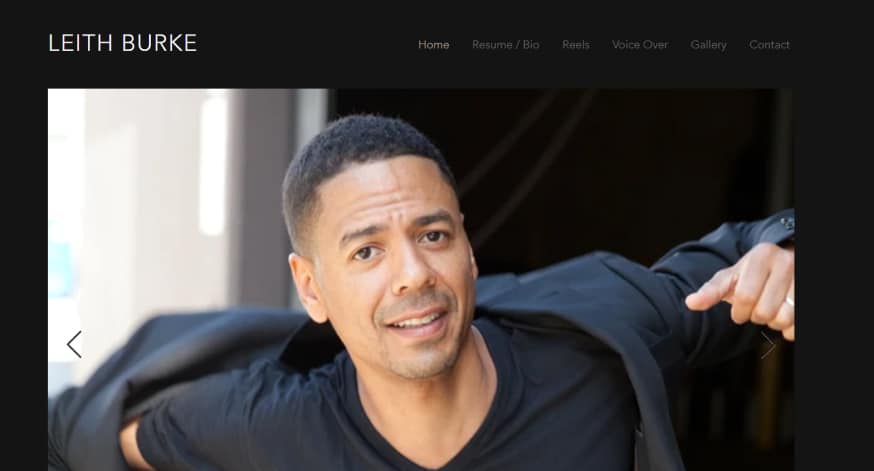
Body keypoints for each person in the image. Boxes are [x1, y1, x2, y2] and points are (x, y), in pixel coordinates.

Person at [105, 114, 792, 470]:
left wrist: (789, 255)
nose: (413, 273)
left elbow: (746, 256)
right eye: (367, 250)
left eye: (432, 235)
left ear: (466, 245)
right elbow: (92, 436)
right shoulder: (265, 426)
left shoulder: (599, 341)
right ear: (311, 288)